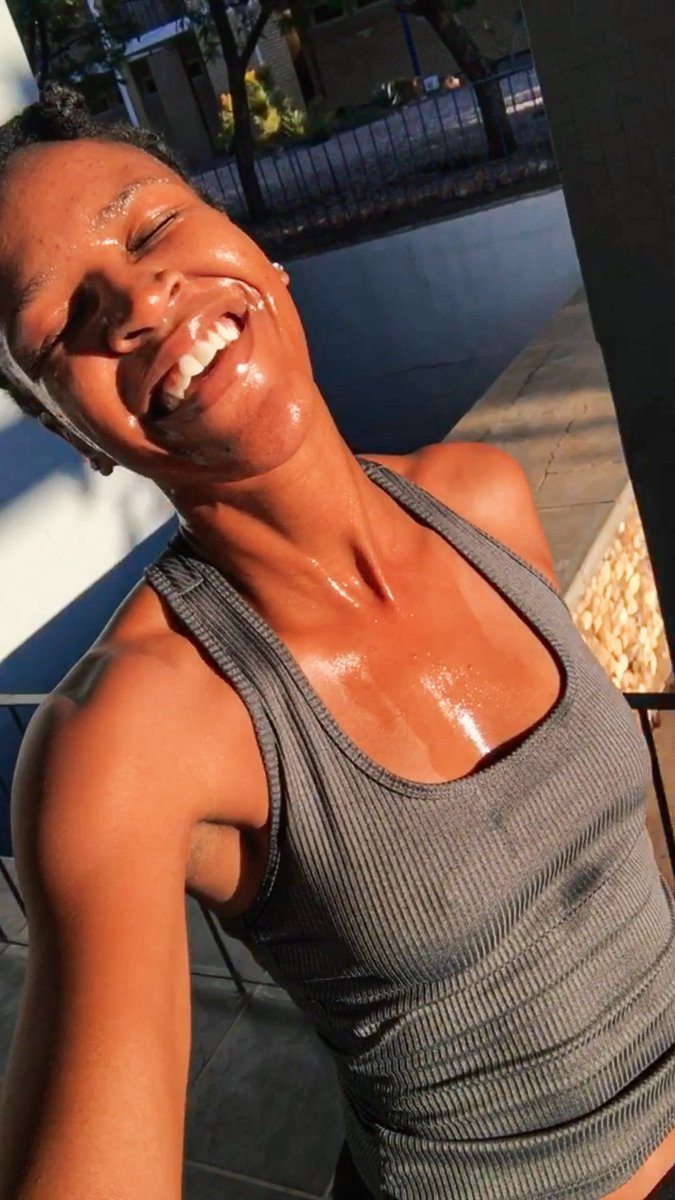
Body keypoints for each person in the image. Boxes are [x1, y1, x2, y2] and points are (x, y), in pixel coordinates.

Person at [0, 85, 673, 1200]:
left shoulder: (483, 498)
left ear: (257, 253)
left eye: (152, 227)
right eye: (64, 321)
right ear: (73, 430)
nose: (137, 298)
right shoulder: (126, 734)